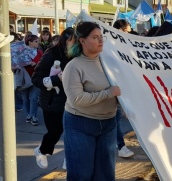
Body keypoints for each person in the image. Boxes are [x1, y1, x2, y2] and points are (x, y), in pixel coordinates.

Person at [62, 21, 121, 180]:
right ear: (82, 41)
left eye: (101, 37)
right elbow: (77, 100)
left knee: (105, 174)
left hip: (109, 123)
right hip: (80, 124)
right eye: (95, 37)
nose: (101, 40)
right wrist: (108, 93)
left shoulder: (109, 62)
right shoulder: (74, 67)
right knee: (81, 175)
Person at [31, 27, 74, 169]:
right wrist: (56, 79)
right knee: (55, 131)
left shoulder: (79, 55)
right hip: (52, 101)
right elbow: (36, 79)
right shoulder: (51, 54)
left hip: (72, 100)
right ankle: (42, 150)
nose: (75, 45)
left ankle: (68, 159)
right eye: (71, 41)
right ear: (64, 40)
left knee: (72, 131)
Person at [113, 20, 135, 158]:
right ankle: (120, 146)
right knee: (115, 119)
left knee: (115, 119)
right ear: (120, 30)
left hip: (121, 85)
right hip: (112, 87)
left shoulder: (124, 45)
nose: (128, 34)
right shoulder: (109, 46)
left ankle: (118, 144)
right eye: (127, 31)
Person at [23, 35, 43, 125]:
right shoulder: (22, 52)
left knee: (34, 98)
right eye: (35, 41)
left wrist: (36, 63)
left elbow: (43, 63)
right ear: (29, 42)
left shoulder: (39, 52)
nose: (37, 43)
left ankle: (33, 116)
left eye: (38, 41)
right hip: (24, 78)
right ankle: (28, 114)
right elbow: (16, 63)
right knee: (25, 98)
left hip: (36, 78)